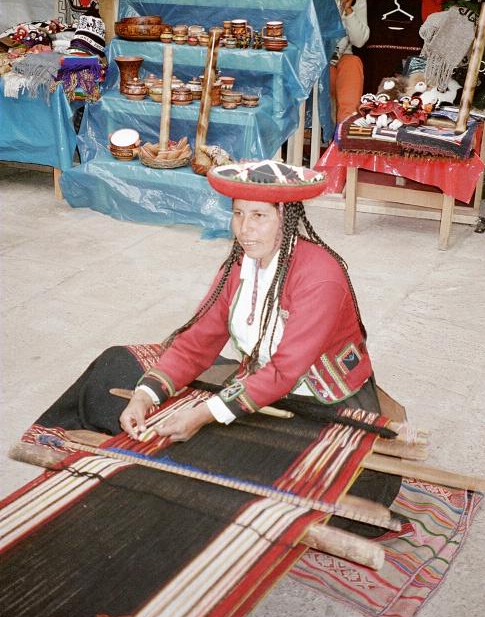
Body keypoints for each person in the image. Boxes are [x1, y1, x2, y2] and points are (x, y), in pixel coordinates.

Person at [25, 160, 400, 535]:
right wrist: (145, 396)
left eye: (258, 216)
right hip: (263, 390)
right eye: (238, 214)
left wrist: (205, 413)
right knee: (116, 369)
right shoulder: (239, 266)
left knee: (288, 488)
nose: (244, 228)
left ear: (285, 217)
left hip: (325, 404)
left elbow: (286, 371)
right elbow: (197, 341)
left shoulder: (321, 276)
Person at [313, 0, 370, 123]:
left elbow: (359, 41)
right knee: (331, 74)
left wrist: (348, 10)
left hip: (344, 59)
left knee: (353, 62)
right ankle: (340, 126)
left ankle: (345, 125)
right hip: (320, 59)